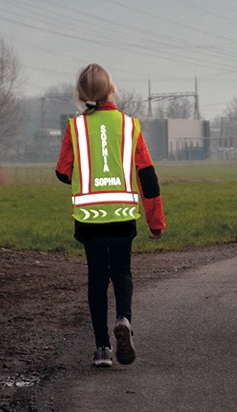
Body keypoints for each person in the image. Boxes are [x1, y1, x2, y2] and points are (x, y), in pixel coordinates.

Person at [56, 63, 166, 367]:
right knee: (122, 271)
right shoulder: (130, 126)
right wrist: (155, 221)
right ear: (111, 89)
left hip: (89, 218)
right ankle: (124, 320)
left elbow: (62, 173)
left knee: (97, 277)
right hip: (122, 216)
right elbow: (148, 177)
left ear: (81, 94)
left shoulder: (75, 128)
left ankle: (102, 349)